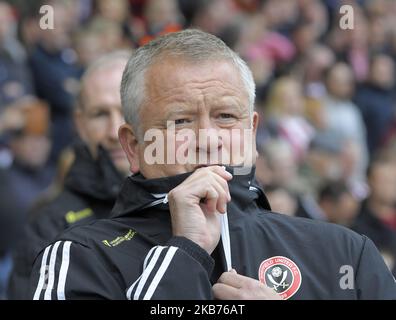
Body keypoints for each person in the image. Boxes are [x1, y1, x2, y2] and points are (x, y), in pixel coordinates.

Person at [30, 30, 396, 300]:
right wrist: (183, 252)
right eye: (181, 121)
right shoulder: (79, 257)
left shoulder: (346, 253)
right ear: (134, 145)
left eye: (224, 116)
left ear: (251, 131)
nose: (208, 138)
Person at [8, 51, 130, 299]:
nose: (114, 131)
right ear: (80, 123)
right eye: (100, 114)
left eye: (127, 110)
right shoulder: (49, 227)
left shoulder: (190, 201)